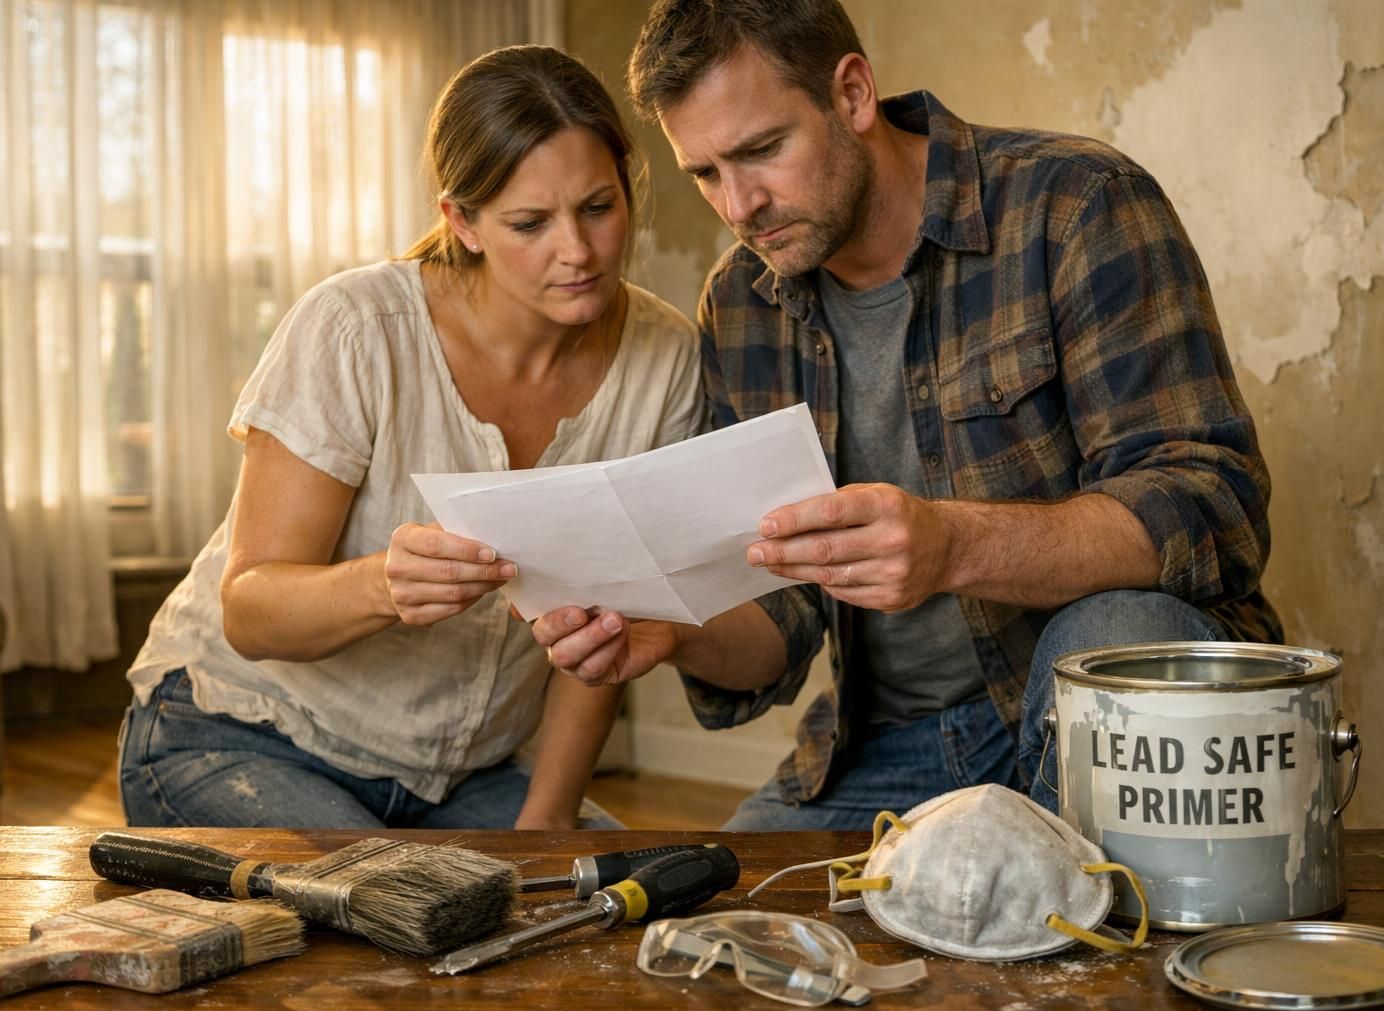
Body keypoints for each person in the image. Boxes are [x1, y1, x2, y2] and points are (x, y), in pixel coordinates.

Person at [534, 0, 1282, 829]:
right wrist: (675, 633)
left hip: (1091, 708)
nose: (738, 205)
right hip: (891, 746)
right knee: (727, 918)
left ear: (852, 94)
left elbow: (1213, 507)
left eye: (761, 151)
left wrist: (953, 546)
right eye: (706, 173)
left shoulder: (1076, 205)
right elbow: (781, 613)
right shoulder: (744, 302)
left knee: (1118, 630)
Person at [118, 45, 704, 829]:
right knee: (413, 913)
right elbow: (249, 613)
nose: (579, 251)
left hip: (461, 779)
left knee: (615, 904)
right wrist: (378, 586)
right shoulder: (354, 327)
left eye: (598, 207)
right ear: (460, 221)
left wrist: (548, 821)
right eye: (529, 223)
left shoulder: (663, 358)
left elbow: (605, 632)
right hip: (237, 736)